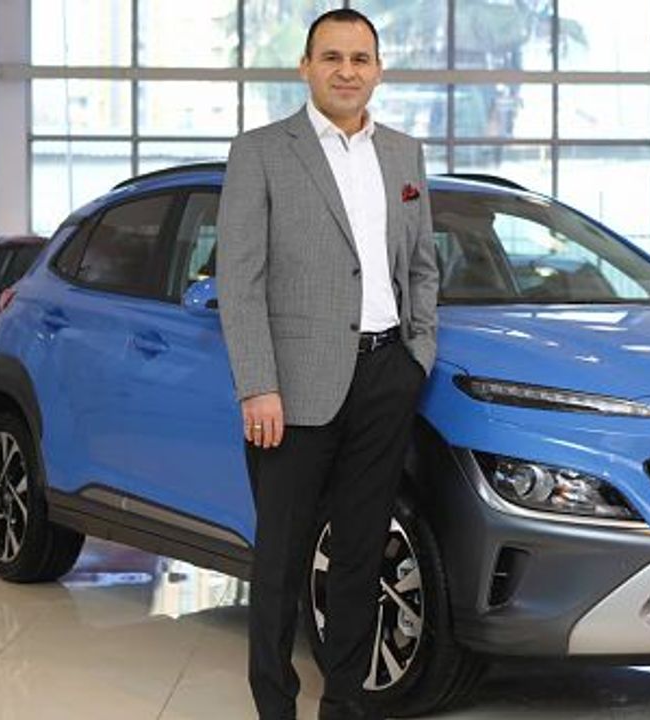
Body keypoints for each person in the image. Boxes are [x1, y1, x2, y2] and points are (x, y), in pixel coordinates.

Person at [216, 8, 438, 720]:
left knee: (361, 554)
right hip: (291, 389)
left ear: (379, 70)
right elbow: (239, 281)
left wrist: (417, 355)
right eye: (333, 57)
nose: (347, 71)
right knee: (281, 560)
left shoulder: (403, 154)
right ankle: (274, 705)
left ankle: (345, 702)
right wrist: (258, 385)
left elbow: (423, 266)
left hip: (385, 376)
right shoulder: (261, 152)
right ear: (306, 67)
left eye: (360, 58)